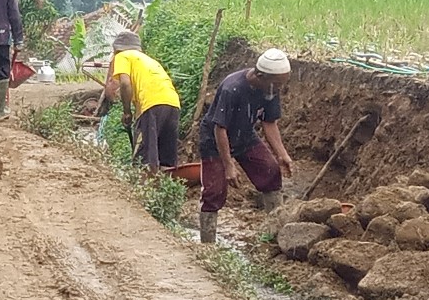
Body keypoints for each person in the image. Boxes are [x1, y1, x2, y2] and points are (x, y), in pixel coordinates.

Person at [197, 48, 294, 244]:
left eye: (281, 84)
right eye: (276, 84)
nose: (278, 89)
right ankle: (207, 245)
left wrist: (282, 154)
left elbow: (269, 123)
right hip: (215, 141)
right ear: (260, 76)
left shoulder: (271, 89)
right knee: (214, 191)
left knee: (270, 170)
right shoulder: (232, 88)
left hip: (245, 136)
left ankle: (274, 234)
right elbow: (220, 128)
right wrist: (229, 165)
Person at [105, 31, 181, 174]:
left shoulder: (122, 56)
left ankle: (143, 192)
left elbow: (125, 84)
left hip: (151, 105)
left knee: (143, 158)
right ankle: (166, 190)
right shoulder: (148, 60)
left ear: (117, 49)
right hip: (173, 103)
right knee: (166, 160)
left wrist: (127, 112)